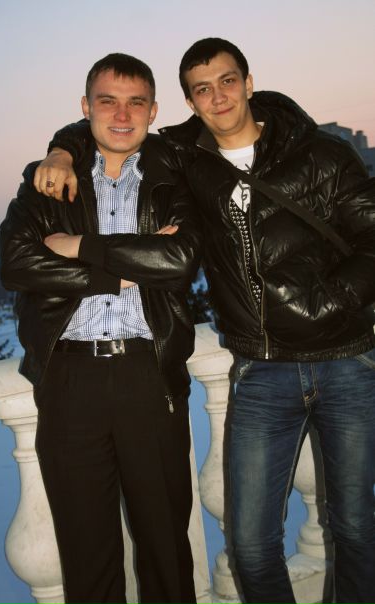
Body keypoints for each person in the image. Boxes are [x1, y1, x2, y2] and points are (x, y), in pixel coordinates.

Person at [33, 38, 375, 604]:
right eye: (202, 88)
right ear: (189, 101)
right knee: (251, 547)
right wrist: (62, 152)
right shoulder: (186, 157)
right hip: (261, 369)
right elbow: (112, 123)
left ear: (248, 82)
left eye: (227, 81)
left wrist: (332, 299)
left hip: (346, 359)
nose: (218, 97)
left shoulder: (321, 153)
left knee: (357, 529)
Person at [0, 52, 203, 604]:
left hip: (150, 376)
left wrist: (80, 247)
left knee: (166, 551)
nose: (122, 114)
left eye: (136, 102)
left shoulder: (171, 178)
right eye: (107, 101)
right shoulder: (48, 182)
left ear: (154, 111)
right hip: (69, 382)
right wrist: (124, 273)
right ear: (85, 107)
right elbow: (18, 263)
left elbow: (179, 259)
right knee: (87, 558)